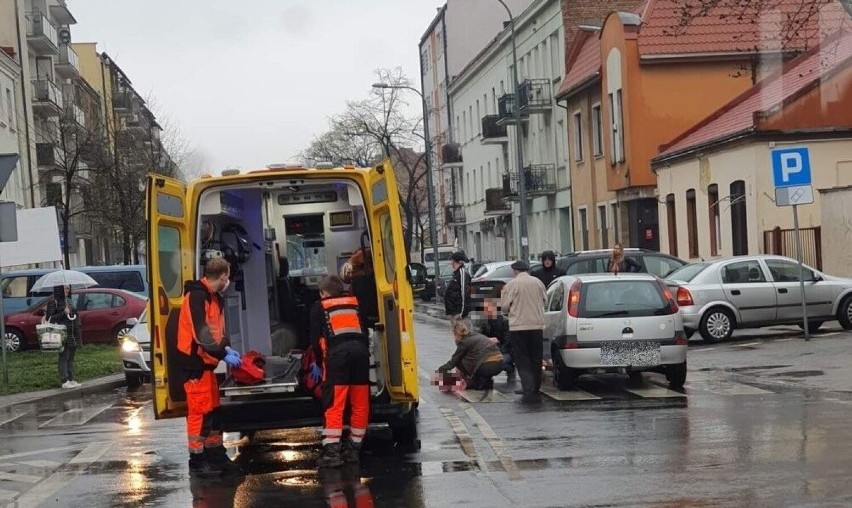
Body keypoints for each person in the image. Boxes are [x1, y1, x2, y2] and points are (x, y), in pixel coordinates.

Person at [177, 257, 243, 477]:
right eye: (228, 276)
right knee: (199, 414)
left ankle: (215, 455)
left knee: (213, 412)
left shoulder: (214, 297)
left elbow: (217, 332)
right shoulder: (197, 296)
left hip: (207, 364)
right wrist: (223, 353)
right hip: (194, 365)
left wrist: (225, 348)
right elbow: (202, 334)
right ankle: (197, 461)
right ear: (223, 275)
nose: (229, 280)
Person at [309, 275, 370, 468]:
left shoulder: (320, 307)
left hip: (338, 357)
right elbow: (364, 330)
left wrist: (318, 362)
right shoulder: (355, 303)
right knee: (360, 402)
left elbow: (315, 339)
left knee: (335, 404)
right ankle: (353, 450)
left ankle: (332, 454)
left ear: (325, 293)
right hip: (361, 354)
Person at [500, 260, 547, 403]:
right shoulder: (538, 283)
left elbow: (505, 307)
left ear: (515, 271)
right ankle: (536, 386)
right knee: (535, 358)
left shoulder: (511, 285)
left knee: (522, 359)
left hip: (518, 327)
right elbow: (545, 300)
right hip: (536, 326)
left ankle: (528, 386)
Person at [438, 321, 504, 390]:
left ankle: (468, 382)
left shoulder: (464, 342)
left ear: (456, 335)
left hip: (487, 367)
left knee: (461, 362)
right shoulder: (476, 335)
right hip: (500, 364)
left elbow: (454, 361)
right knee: (475, 360)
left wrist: (441, 370)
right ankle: (487, 381)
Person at [46, 285, 81, 389]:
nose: (67, 290)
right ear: (59, 289)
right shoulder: (53, 301)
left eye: (68, 288)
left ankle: (70, 379)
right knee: (64, 357)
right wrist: (62, 313)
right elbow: (50, 318)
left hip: (73, 332)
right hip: (62, 333)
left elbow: (75, 314)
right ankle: (64, 380)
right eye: (65, 288)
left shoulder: (69, 300)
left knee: (71, 358)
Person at [341, 247, 378, 332]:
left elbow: (344, 275)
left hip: (364, 321)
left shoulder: (359, 281)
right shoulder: (372, 276)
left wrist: (353, 260)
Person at [481, 298, 515, 382]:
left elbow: (508, 342)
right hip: (490, 350)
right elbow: (480, 338)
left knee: (500, 362)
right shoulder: (485, 322)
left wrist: (497, 352)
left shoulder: (505, 322)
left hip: (504, 351)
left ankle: (510, 369)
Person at [444, 251, 472, 330]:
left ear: (454, 261)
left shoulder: (462, 273)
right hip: (454, 312)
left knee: (465, 338)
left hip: (459, 314)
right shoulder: (456, 274)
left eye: (451, 260)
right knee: (459, 339)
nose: (450, 262)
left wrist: (462, 313)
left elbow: (465, 293)